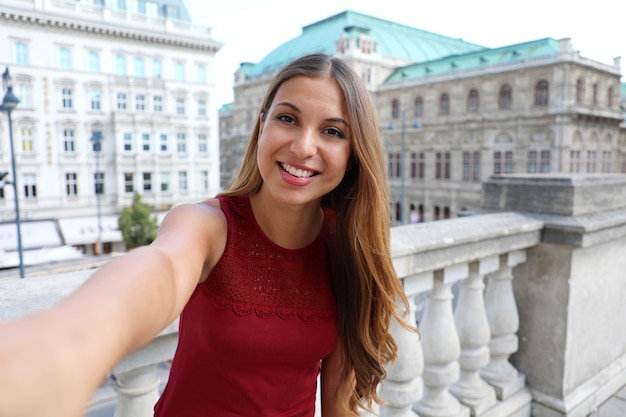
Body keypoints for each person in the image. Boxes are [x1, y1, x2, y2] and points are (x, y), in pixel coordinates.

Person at [0, 53, 413, 417]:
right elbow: (159, 269)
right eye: (288, 119)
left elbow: (340, 407)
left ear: (354, 154)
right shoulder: (206, 225)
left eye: (332, 132)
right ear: (261, 126)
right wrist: (71, 343)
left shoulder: (346, 249)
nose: (304, 147)